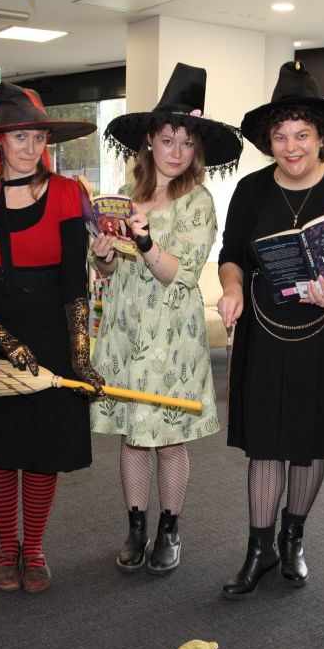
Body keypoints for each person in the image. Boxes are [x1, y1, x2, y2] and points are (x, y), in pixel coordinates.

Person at [216, 61, 324, 598]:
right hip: (266, 332)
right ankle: (259, 548)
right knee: (266, 444)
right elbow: (232, 255)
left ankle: (293, 539)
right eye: (280, 136)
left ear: (323, 139)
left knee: (308, 446)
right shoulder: (249, 191)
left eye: (302, 135)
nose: (290, 147)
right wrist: (233, 288)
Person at [90, 63, 243, 575]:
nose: (176, 151)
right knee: (133, 435)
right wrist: (103, 252)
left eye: (186, 143)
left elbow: (180, 274)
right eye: (167, 139)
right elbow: (108, 270)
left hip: (170, 338)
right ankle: (135, 527)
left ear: (196, 150)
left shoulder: (198, 202)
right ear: (149, 142)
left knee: (169, 439)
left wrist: (146, 241)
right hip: (123, 329)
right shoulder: (126, 192)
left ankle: (169, 529)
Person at [0, 83, 103, 594]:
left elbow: (75, 284)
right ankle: (4, 546)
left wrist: (79, 356)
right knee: (0, 447)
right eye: (19, 137)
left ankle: (33, 547)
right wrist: (7, 346)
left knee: (42, 447)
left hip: (53, 332)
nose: (31, 147)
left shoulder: (67, 193)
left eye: (39, 137)